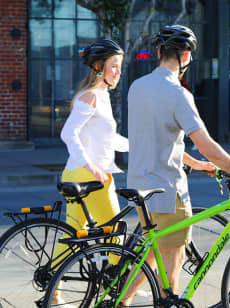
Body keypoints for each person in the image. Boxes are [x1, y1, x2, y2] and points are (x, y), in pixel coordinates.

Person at [124, 24, 230, 305]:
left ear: (159, 53)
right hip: (167, 189)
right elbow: (206, 143)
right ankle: (167, 302)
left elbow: (157, 138)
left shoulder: (137, 87)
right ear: (185, 57)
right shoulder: (178, 93)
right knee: (173, 255)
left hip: (140, 184)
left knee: (152, 252)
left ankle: (124, 299)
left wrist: (195, 162)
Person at [52, 39, 128, 306]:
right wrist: (91, 165)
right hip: (90, 177)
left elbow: (109, 138)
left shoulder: (102, 95)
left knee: (73, 234)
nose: (118, 72)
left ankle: (54, 289)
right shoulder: (91, 96)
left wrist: (138, 148)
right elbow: (68, 133)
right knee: (115, 231)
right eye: (114, 66)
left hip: (78, 174)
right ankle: (120, 285)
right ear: (99, 67)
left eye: (120, 66)